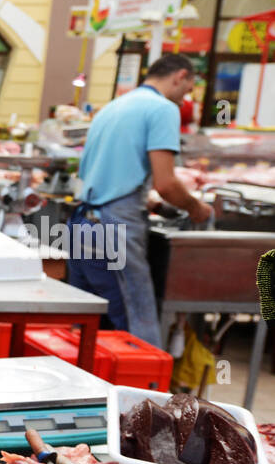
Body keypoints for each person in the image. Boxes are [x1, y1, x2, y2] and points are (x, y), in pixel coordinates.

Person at [67, 54, 212, 348]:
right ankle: (142, 394)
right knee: (136, 331)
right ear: (179, 76)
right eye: (188, 87)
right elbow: (167, 183)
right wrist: (197, 208)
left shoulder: (113, 107)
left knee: (85, 330)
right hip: (113, 231)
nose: (186, 97)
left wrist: (152, 204)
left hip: (82, 224)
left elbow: (101, 176)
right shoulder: (162, 109)